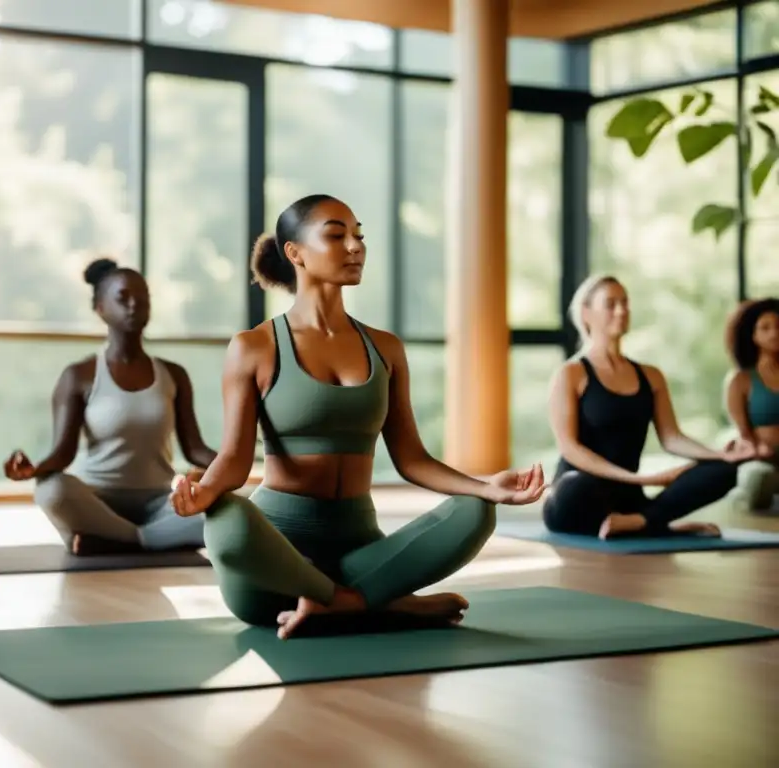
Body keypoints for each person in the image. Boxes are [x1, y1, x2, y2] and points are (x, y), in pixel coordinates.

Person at [169, 194, 546, 641]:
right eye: (336, 235)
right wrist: (202, 492)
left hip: (361, 553)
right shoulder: (254, 346)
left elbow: (411, 459)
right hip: (275, 573)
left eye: (359, 235)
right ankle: (370, 602)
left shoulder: (386, 348)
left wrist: (486, 487)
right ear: (295, 253)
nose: (355, 246)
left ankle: (343, 602)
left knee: (476, 513)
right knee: (226, 519)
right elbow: (233, 460)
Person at [3, 258, 217, 555]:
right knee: (50, 490)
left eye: (143, 300)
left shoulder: (173, 374)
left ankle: (119, 541)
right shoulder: (78, 376)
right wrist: (33, 470)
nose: (134, 306)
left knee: (227, 502)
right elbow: (62, 453)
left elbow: (194, 448)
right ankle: (148, 540)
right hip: (96, 500)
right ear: (100, 308)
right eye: (123, 298)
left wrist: (232, 463)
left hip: (161, 502)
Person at [544, 274, 751, 540]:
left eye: (625, 302)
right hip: (580, 496)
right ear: (586, 313)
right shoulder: (570, 374)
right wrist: (642, 480)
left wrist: (721, 456)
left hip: (628, 499)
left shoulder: (651, 376)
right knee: (574, 486)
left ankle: (640, 520)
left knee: (724, 471)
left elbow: (672, 438)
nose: (622, 310)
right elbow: (569, 449)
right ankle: (654, 523)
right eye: (610, 303)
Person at [723, 297, 779, 512]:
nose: (774, 333)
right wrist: (757, 448)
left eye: (778, 326)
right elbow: (743, 432)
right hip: (761, 459)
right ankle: (740, 492)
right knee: (759, 477)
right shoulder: (740, 380)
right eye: (765, 328)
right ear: (752, 335)